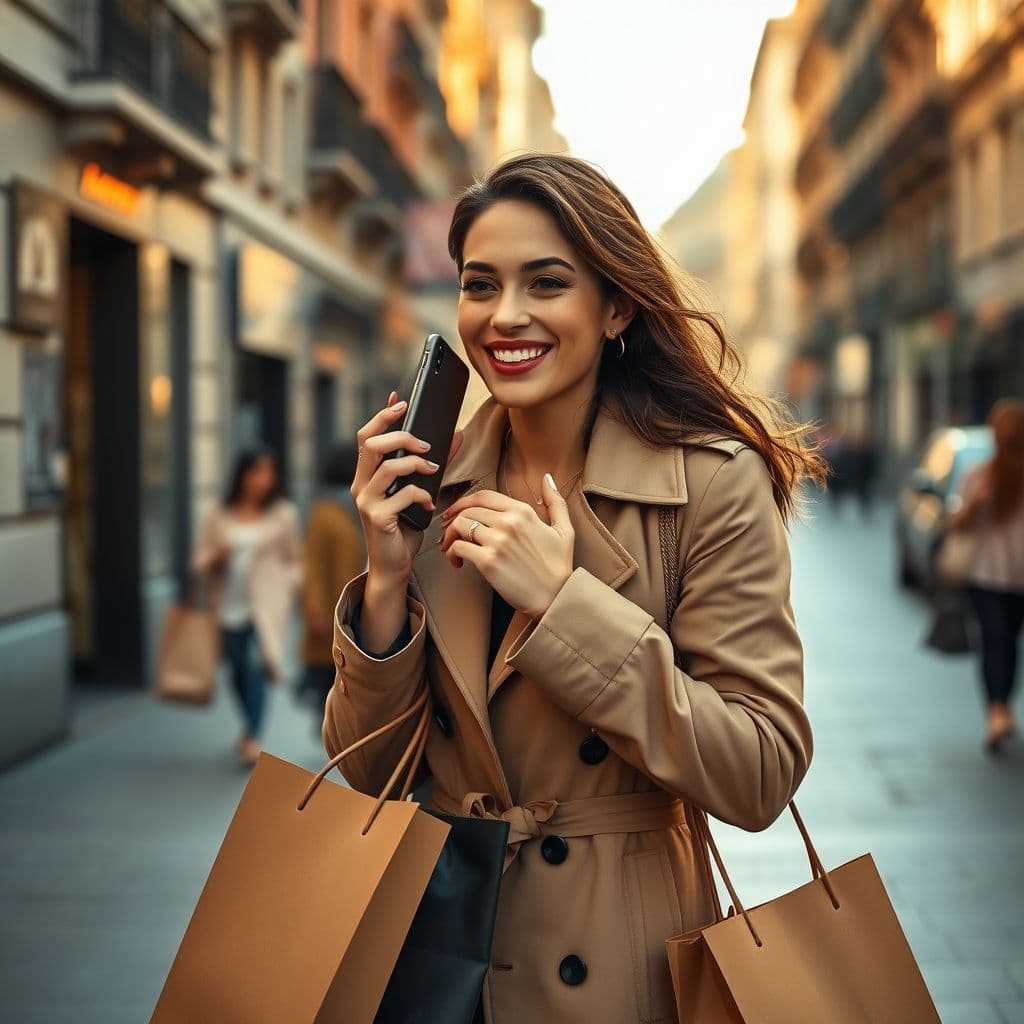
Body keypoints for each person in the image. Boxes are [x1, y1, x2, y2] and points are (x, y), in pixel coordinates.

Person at [323, 154, 823, 1022]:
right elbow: (363, 775)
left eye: (547, 283)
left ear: (616, 305)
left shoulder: (710, 483)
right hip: (440, 962)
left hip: (614, 969)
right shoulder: (428, 483)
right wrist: (384, 581)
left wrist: (564, 610)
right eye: (481, 285)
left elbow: (759, 772)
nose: (506, 315)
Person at [193, 447, 302, 768]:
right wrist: (215, 558)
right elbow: (199, 560)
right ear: (242, 475)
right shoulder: (219, 513)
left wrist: (287, 586)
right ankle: (249, 728)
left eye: (269, 472)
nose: (264, 480)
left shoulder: (284, 514)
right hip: (227, 606)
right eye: (257, 472)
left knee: (257, 668)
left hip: (266, 608)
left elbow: (296, 561)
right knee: (237, 672)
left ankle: (253, 738)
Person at [949, 400, 1024, 753]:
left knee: (1008, 641)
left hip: (1018, 578)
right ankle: (997, 709)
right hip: (984, 575)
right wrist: (977, 503)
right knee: (995, 639)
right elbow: (956, 523)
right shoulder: (978, 474)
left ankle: (1002, 705)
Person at [299, 444, 366, 723]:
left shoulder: (364, 505)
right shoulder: (324, 511)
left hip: (359, 602)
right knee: (333, 667)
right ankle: (331, 721)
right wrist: (314, 610)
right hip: (330, 606)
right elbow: (313, 563)